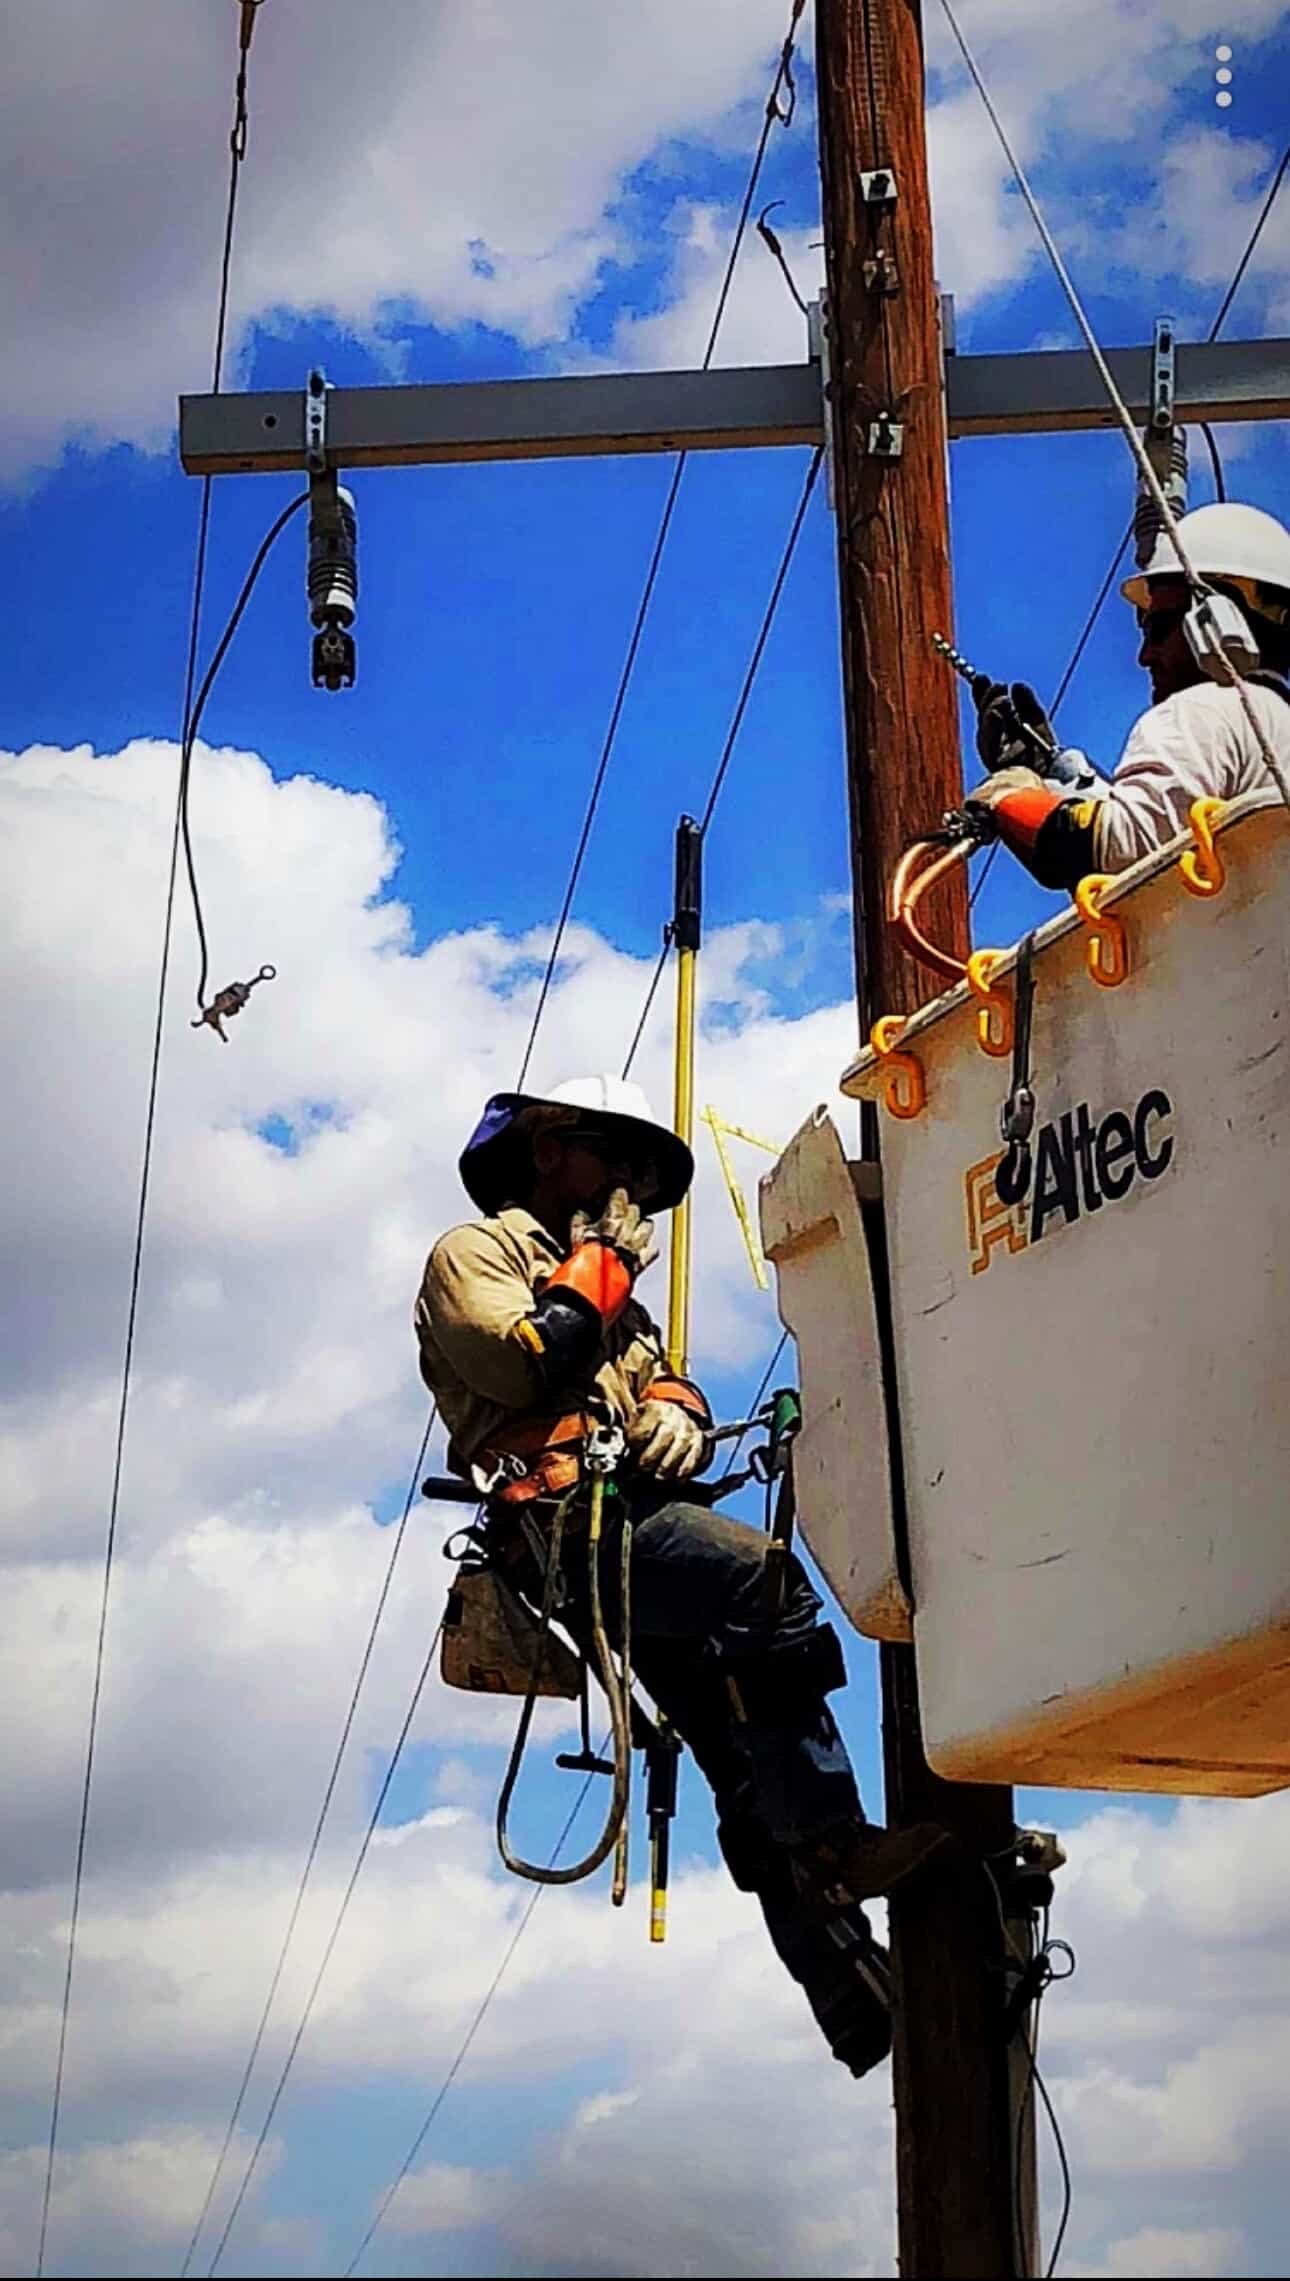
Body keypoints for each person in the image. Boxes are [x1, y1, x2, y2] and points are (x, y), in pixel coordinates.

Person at [415, 1074, 946, 2078]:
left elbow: (660, 1375)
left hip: (629, 1519)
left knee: (745, 1758)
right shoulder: (478, 1255)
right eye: (614, 1160)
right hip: (567, 1528)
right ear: (546, 1151)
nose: (628, 1187)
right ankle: (832, 1841)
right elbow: (527, 1358)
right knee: (762, 1583)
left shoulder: (612, 1298)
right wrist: (604, 1267)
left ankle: (851, 1996)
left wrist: (678, 1413)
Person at [965, 502, 1290, 887]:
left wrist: (1011, 796)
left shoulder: (1205, 710)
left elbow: (1126, 850)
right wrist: (1050, 774)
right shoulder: (1274, 723)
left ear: (1218, 621)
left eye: (1159, 629)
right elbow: (1166, 848)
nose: (1145, 655)